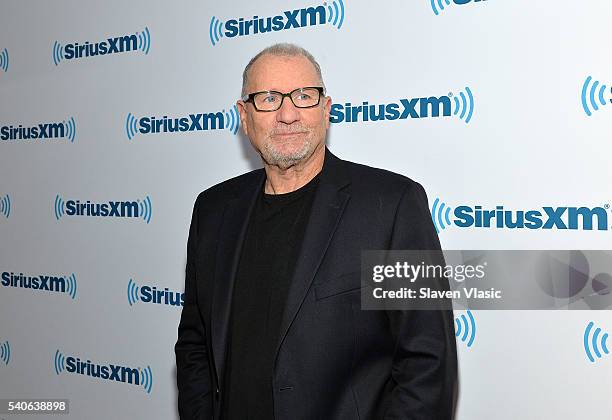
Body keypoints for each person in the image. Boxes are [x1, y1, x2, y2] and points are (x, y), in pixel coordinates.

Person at [175, 43, 457, 420]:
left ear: (326, 110)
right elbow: (195, 344)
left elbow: (427, 362)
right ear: (244, 116)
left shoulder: (392, 205)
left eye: (304, 96)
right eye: (269, 98)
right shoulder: (212, 210)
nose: (287, 114)